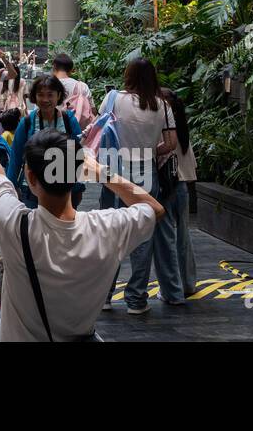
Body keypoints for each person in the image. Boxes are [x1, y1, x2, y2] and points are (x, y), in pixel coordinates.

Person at [0, 47, 163, 341]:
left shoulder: (14, 224)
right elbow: (154, 208)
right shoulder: (106, 228)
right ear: (76, 172)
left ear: (31, 178)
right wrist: (101, 172)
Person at [102, 57, 181, 314]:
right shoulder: (162, 105)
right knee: (143, 236)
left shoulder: (113, 99)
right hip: (147, 171)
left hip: (116, 171)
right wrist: (148, 149)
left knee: (112, 232)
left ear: (129, 75)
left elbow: (99, 129)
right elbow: (170, 143)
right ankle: (136, 300)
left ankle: (104, 295)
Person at [5, 74, 84, 209]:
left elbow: (78, 155)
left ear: (58, 96)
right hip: (32, 189)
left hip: (64, 189)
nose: (45, 99)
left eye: (50, 95)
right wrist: (10, 188)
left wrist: (77, 186)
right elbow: (16, 157)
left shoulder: (68, 120)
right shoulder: (27, 123)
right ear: (34, 97)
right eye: (41, 95)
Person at [159, 87, 197, 296]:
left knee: (167, 238)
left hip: (166, 186)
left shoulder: (164, 127)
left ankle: (172, 288)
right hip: (182, 185)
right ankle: (188, 284)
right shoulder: (182, 127)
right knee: (183, 236)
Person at [51, 52, 95, 127]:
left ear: (54, 67)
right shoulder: (82, 86)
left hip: (53, 130)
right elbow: (92, 110)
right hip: (77, 131)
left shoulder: (47, 85)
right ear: (71, 70)